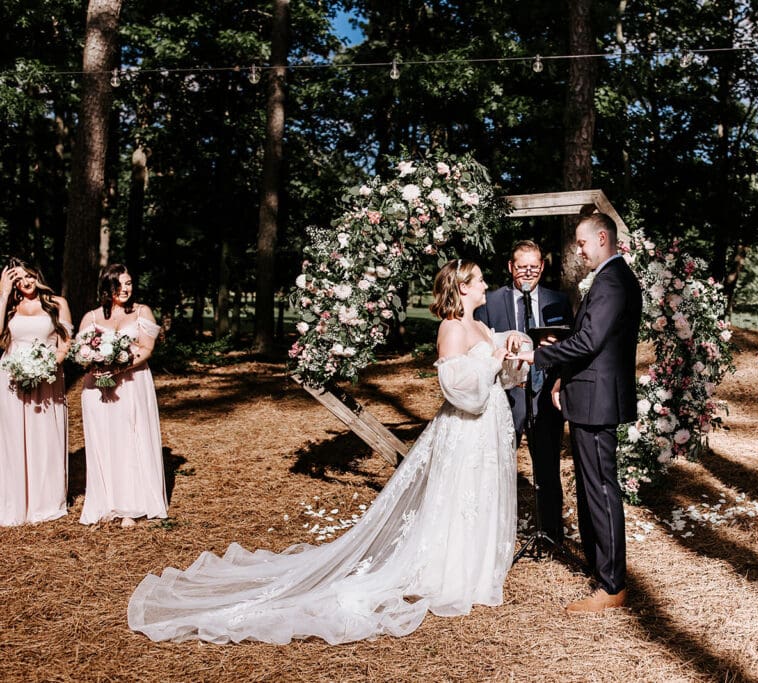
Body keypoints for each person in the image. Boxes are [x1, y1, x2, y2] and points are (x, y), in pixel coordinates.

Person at [128, 259, 528, 644]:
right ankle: (449, 574)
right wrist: (492, 362)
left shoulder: (478, 324)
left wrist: (508, 349)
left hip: (488, 427)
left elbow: (502, 374)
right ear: (462, 287)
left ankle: (472, 571)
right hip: (465, 428)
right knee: (458, 497)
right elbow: (458, 389)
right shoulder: (451, 328)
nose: (484, 286)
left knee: (478, 494)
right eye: (477, 280)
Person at [516, 212, 641, 612]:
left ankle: (611, 585)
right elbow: (590, 341)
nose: (579, 250)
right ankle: (602, 570)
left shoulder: (614, 280)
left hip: (598, 400)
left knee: (601, 490)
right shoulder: (609, 279)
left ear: (602, 237)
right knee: (592, 488)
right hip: (589, 395)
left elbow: (589, 340)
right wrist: (561, 378)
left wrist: (539, 355)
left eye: (582, 243)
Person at [475, 239, 573, 543]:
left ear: (542, 267)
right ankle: (492, 533)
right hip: (507, 397)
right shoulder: (490, 303)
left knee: (547, 469)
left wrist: (557, 350)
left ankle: (550, 533)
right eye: (522, 268)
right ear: (510, 268)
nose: (528, 273)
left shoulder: (558, 301)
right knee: (497, 467)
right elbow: (478, 349)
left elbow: (573, 346)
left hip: (545, 396)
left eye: (534, 267)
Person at [78, 264, 167, 528]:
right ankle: (105, 500)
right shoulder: (91, 318)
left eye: (129, 283)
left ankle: (131, 504)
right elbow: (81, 353)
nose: (126, 289)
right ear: (107, 288)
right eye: (119, 284)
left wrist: (118, 367)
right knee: (104, 439)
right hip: (97, 387)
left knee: (130, 438)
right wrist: (96, 364)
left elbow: (147, 348)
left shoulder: (142, 312)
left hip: (131, 383)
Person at [0, 259, 72, 526]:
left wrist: (49, 366)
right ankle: (16, 500)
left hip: (48, 378)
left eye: (28, 275)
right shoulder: (8, 306)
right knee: (13, 437)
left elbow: (66, 342)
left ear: (36, 274)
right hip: (11, 378)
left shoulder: (57, 303)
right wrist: (4, 293)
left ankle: (46, 501)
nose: (26, 282)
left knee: (45, 436)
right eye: (18, 279)